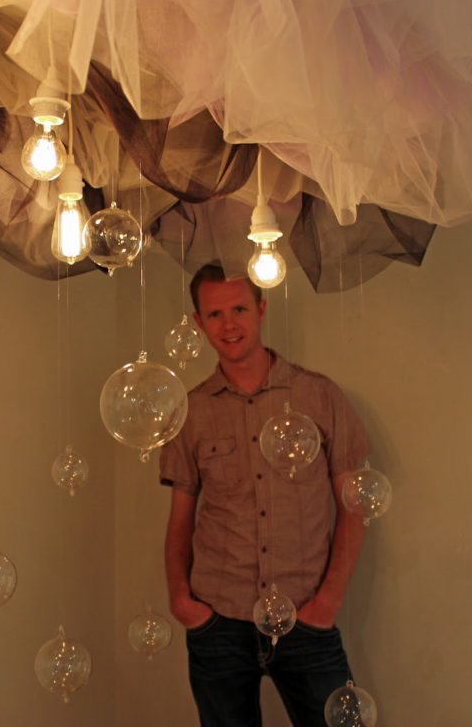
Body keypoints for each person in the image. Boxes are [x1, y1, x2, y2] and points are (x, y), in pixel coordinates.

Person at [159, 263, 370, 727]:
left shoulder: (319, 396)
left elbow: (355, 506)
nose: (229, 324)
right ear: (198, 323)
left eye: (238, 308)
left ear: (261, 307)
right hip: (218, 621)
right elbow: (180, 521)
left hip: (307, 615)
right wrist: (181, 600)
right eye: (214, 314)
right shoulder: (190, 412)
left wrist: (329, 601)